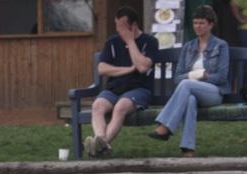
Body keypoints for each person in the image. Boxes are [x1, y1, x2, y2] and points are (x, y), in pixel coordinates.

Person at [147, 6, 230, 157]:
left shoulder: (221, 45)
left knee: (186, 84)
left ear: (211, 24)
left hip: (213, 92)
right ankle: (188, 148)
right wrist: (195, 75)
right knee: (190, 99)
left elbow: (221, 77)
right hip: (191, 90)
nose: (197, 26)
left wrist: (203, 77)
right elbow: (177, 78)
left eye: (202, 23)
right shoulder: (188, 47)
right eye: (195, 23)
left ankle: (165, 126)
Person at [84, 7, 158, 158]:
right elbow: (102, 68)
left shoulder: (150, 41)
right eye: (117, 25)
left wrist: (130, 41)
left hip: (139, 89)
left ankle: (100, 146)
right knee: (97, 106)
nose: (118, 30)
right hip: (114, 89)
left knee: (120, 107)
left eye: (122, 26)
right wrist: (128, 69)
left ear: (134, 26)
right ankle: (100, 142)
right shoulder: (112, 42)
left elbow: (142, 67)